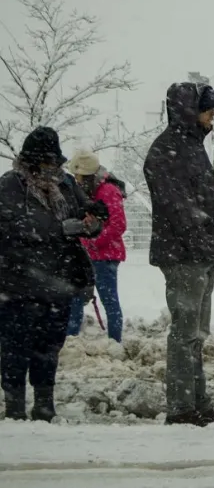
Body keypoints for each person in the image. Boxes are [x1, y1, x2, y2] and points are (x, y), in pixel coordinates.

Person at [143, 82, 214, 427]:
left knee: (197, 333)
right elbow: (178, 208)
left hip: (200, 253)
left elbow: (201, 203)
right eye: (208, 109)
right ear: (189, 112)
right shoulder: (166, 151)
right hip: (182, 255)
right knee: (185, 333)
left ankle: (198, 403)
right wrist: (205, 235)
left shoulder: (191, 147)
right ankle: (181, 408)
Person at [0, 127, 101, 422]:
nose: (52, 168)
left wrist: (92, 223)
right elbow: (12, 226)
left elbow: (87, 211)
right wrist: (58, 229)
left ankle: (44, 402)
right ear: (32, 161)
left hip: (58, 280)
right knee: (14, 346)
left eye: (54, 162)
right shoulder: (10, 185)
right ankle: (15, 405)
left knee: (49, 347)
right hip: (17, 281)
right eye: (46, 163)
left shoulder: (66, 184)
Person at [65, 149, 128, 343]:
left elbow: (119, 224)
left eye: (78, 175)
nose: (75, 179)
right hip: (90, 255)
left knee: (108, 299)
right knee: (75, 297)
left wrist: (93, 243)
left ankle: (114, 342)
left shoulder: (107, 191)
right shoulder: (90, 190)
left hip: (105, 256)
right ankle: (71, 340)